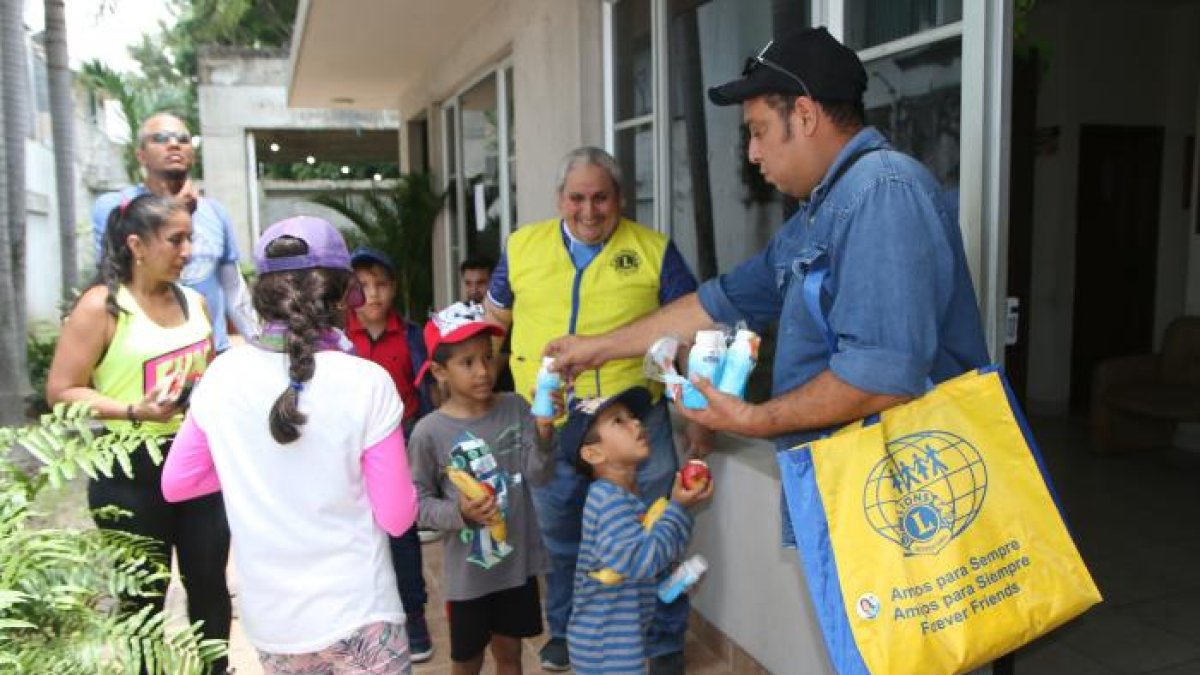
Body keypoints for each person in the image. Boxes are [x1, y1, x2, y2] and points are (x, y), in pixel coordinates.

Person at [546, 28, 989, 454]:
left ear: (805, 115)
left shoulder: (881, 191)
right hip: (840, 485)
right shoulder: (815, 217)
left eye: (758, 131)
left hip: (897, 500)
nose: (753, 153)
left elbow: (881, 376)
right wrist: (595, 348)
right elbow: (717, 304)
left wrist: (752, 419)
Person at [161, 216, 418, 674]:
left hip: (275, 623)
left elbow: (178, 484)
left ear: (265, 294)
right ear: (343, 295)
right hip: (360, 613)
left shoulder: (222, 376)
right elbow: (398, 518)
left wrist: (251, 463)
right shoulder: (368, 383)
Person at [483, 146, 704, 674]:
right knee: (561, 540)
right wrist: (484, 400)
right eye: (577, 198)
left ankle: (664, 643)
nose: (588, 210)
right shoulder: (520, 247)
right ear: (560, 199)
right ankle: (565, 631)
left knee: (657, 531)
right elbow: (494, 324)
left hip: (634, 421)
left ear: (619, 199)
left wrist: (699, 417)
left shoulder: (655, 250)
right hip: (550, 423)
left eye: (600, 197)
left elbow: (695, 332)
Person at [46, 193, 231, 675]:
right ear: (137, 244)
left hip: (194, 462)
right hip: (127, 467)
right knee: (143, 598)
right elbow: (61, 390)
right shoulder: (102, 308)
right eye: (176, 239)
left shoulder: (196, 302)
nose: (188, 250)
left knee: (209, 584)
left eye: (191, 238)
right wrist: (133, 410)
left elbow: (206, 375)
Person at [408, 302, 560, 675]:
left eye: (488, 358)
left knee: (510, 656)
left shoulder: (516, 408)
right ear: (440, 371)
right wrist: (458, 513)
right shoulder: (429, 433)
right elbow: (417, 505)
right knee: (467, 661)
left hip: (516, 567)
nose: (483, 371)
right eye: (467, 363)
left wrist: (544, 431)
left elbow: (539, 475)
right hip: (469, 578)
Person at [562, 387, 713, 675]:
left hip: (616, 640)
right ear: (593, 453)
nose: (636, 423)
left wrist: (673, 580)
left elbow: (640, 562)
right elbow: (643, 560)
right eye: (618, 421)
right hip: (605, 647)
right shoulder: (607, 502)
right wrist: (678, 509)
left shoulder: (624, 497)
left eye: (632, 417)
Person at [92, 111, 257, 353]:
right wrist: (177, 212)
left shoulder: (215, 212)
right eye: (160, 138)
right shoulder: (117, 207)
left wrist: (257, 340)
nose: (173, 144)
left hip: (211, 355)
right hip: (147, 357)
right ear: (141, 155)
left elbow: (232, 286)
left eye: (183, 139)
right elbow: (113, 277)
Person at [346, 246, 436, 662]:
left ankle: (412, 613)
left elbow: (423, 393)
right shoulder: (338, 339)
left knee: (401, 532)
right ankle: (359, 619)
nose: (373, 295)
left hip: (398, 441)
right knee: (357, 534)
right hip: (348, 451)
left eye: (381, 285)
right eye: (363, 287)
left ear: (394, 287)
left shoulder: (412, 335)